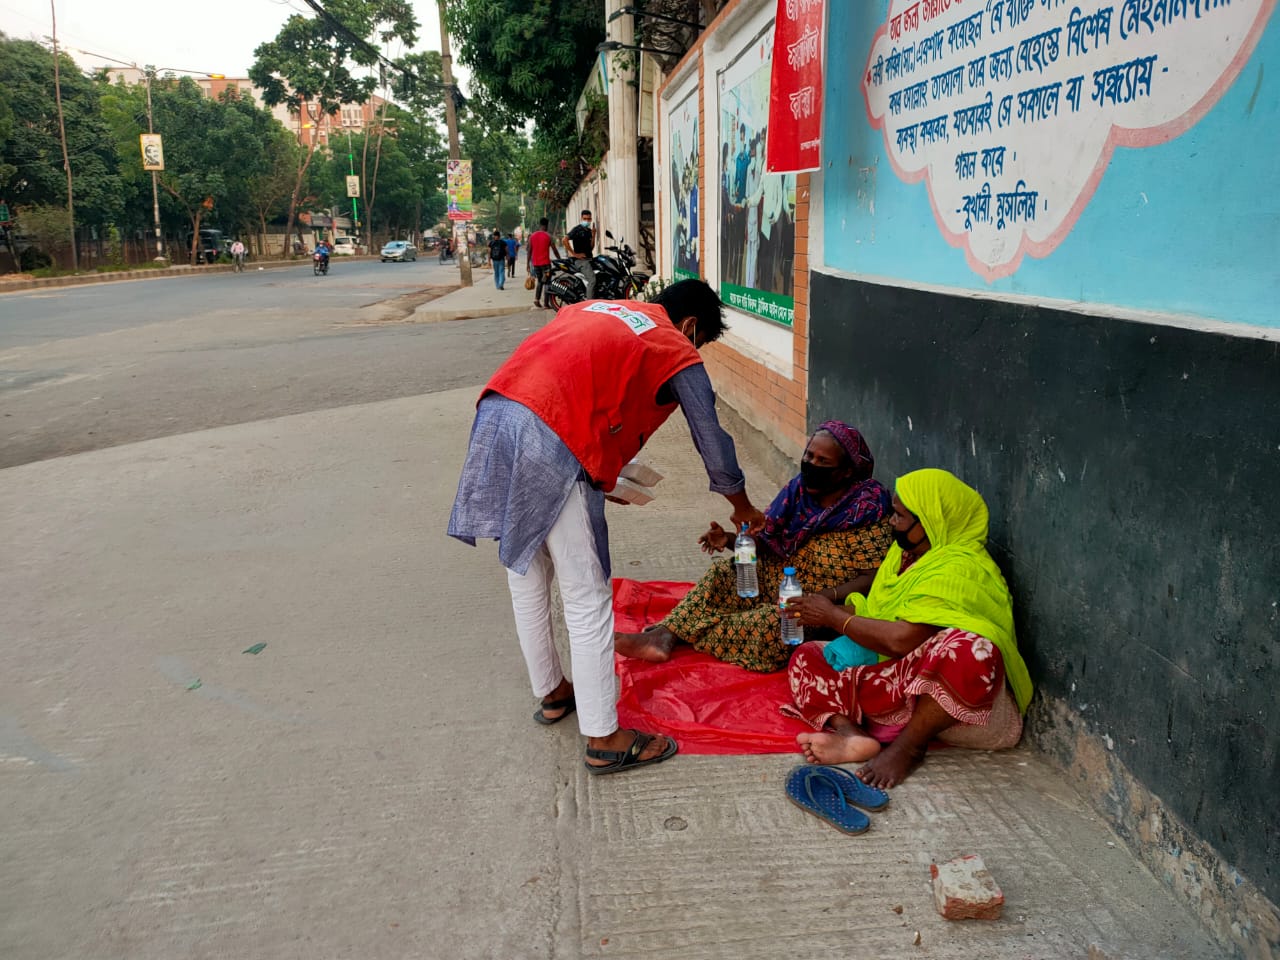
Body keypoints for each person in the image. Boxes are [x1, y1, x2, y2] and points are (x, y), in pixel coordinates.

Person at [448, 280, 767, 775]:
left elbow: (583, 379)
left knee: (526, 572)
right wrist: (741, 507)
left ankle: (553, 692)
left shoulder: (599, 307)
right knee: (587, 595)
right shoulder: (672, 343)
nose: (693, 349)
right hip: (552, 433)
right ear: (689, 327)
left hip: (497, 415)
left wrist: (607, 473)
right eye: (699, 340)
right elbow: (712, 439)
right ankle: (604, 737)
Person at [781, 468, 1034, 788]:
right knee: (808, 656)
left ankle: (909, 746)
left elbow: (902, 639)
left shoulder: (961, 568)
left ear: (930, 521)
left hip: (939, 688)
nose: (891, 523)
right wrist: (819, 611)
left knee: (971, 647)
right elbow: (881, 614)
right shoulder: (907, 556)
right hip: (897, 674)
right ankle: (850, 735)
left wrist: (834, 617)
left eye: (899, 516)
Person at [614, 422, 894, 673]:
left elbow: (872, 577)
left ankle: (676, 633)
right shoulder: (797, 492)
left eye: (823, 461)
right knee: (723, 574)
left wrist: (824, 598)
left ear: (845, 472)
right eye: (809, 456)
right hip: (781, 577)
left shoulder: (866, 510)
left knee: (772, 626)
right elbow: (768, 540)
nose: (811, 464)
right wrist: (731, 541)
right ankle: (664, 635)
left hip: (820, 604)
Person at [526, 218, 561, 309]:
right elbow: (555, 250)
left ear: (540, 224)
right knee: (547, 282)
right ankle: (546, 303)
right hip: (545, 264)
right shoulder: (548, 236)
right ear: (547, 225)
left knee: (540, 281)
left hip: (536, 264)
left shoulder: (532, 236)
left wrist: (527, 265)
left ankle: (536, 299)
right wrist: (560, 260)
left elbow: (529, 251)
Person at [564, 209, 597, 299]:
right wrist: (574, 254)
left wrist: (593, 235)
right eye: (585, 218)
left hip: (589, 259)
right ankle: (589, 305)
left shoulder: (589, 231)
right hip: (581, 261)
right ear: (581, 218)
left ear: (591, 219)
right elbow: (565, 240)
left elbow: (591, 247)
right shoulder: (577, 229)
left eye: (588, 219)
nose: (586, 221)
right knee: (592, 280)